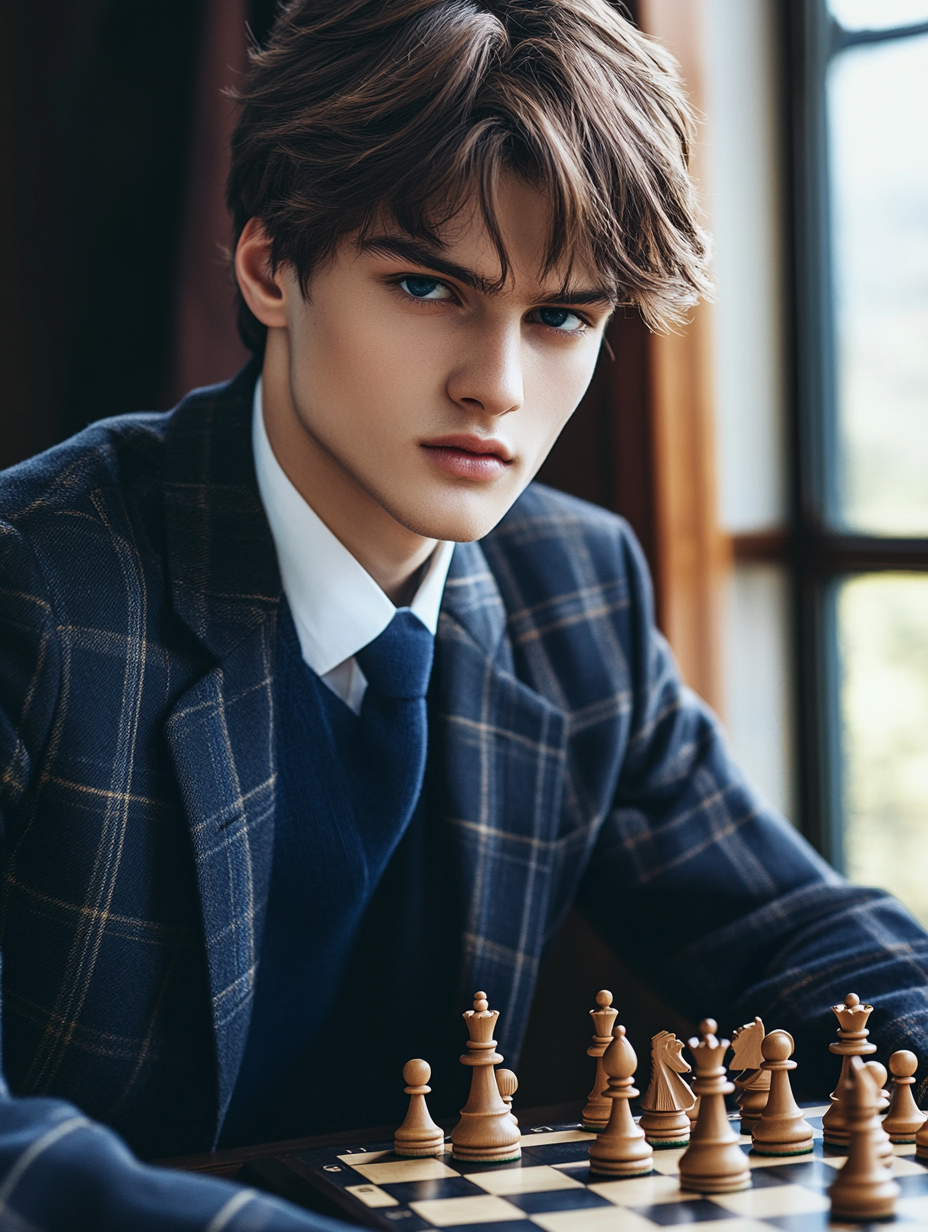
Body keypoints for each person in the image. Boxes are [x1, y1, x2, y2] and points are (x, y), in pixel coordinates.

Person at [1, 1, 927, 1228]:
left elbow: (792, 926)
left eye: (560, 317)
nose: (496, 385)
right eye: (428, 286)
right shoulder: (41, 584)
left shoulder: (576, 585)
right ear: (271, 265)